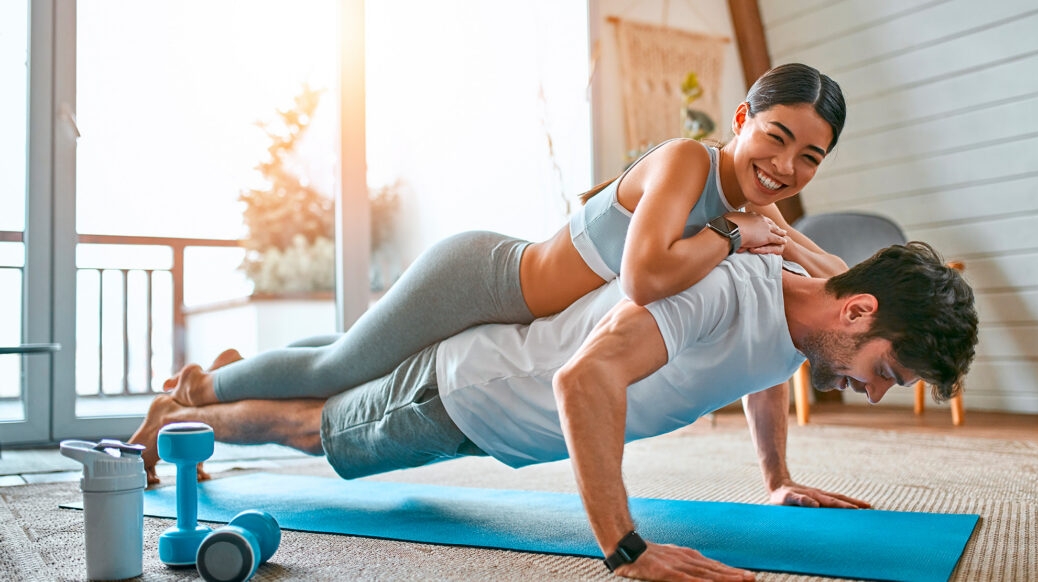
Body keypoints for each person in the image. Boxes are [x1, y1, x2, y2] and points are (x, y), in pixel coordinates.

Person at [130, 242, 978, 582]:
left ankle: (231, 380)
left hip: (487, 398)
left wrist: (777, 478)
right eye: (885, 371)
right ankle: (184, 416)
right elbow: (584, 383)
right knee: (311, 429)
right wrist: (626, 548)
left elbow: (761, 372)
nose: (873, 390)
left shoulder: (799, 323)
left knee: (329, 392)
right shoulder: (722, 286)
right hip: (469, 394)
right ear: (858, 313)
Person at [157, 63, 848, 411]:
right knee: (338, 373)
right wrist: (733, 234)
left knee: (359, 347)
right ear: (741, 120)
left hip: (509, 304)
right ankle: (199, 389)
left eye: (811, 158)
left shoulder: (755, 204)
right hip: (481, 280)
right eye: (776, 137)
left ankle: (239, 364)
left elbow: (830, 270)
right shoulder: (689, 162)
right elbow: (644, 278)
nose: (786, 167)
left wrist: (868, 290)